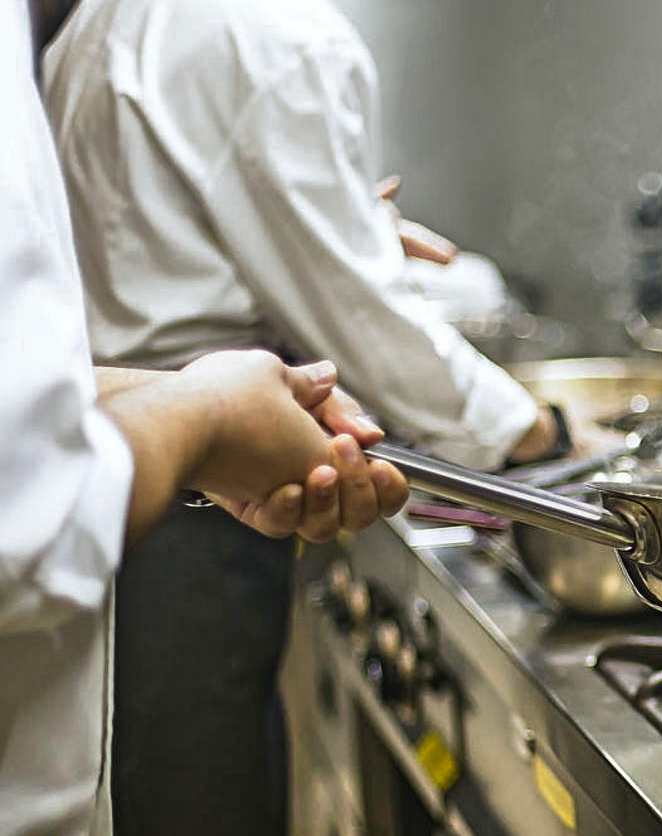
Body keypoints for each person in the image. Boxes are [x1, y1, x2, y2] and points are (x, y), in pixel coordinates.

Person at [40, 0, 578, 832]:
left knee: (157, 781)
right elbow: (362, 320)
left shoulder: (103, 23)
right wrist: (538, 433)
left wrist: (340, 233)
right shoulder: (268, 30)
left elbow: (153, 235)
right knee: (204, 799)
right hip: (180, 489)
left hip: (127, 453)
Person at [3, 3, 409, 834]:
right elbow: (24, 507)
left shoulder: (86, 31)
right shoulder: (262, 31)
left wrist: (181, 397)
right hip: (145, 505)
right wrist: (207, 414)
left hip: (141, 476)